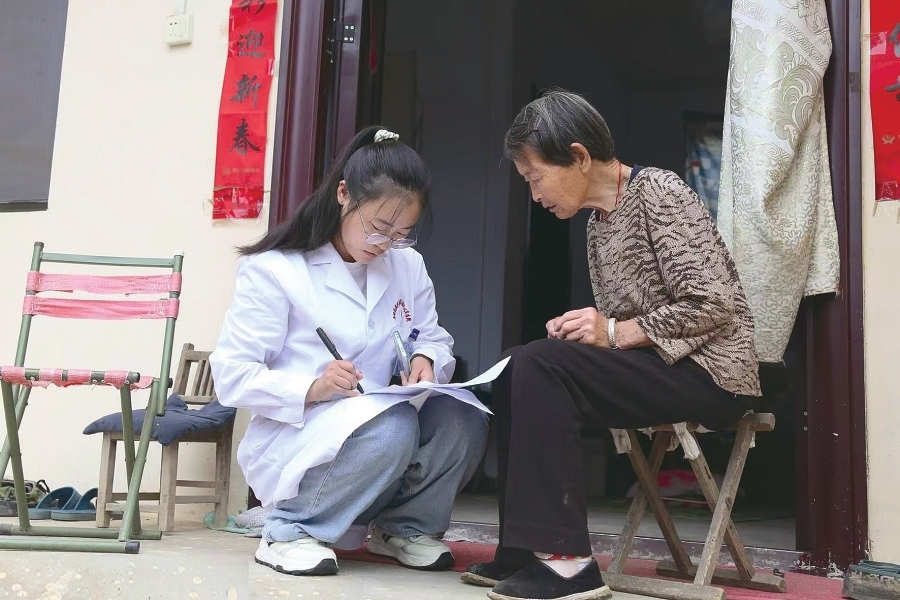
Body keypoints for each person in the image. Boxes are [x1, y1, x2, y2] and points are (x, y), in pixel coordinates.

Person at [461, 90, 761, 600]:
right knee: (517, 365)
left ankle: (567, 565)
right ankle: (523, 550)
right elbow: (621, 327)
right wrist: (585, 332)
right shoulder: (597, 224)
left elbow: (714, 303)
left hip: (713, 373)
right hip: (660, 366)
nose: (534, 194)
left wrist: (614, 332)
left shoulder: (659, 191)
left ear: (578, 156)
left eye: (535, 177)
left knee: (538, 364)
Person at [210, 126, 488, 577]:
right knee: (393, 426)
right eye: (379, 228)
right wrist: (313, 388)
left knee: (465, 416)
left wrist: (426, 359)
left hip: (380, 437)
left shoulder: (407, 264)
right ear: (344, 195)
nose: (386, 244)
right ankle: (290, 530)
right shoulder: (276, 269)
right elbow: (232, 376)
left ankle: (404, 528)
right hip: (304, 439)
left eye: (402, 233)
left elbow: (432, 337)